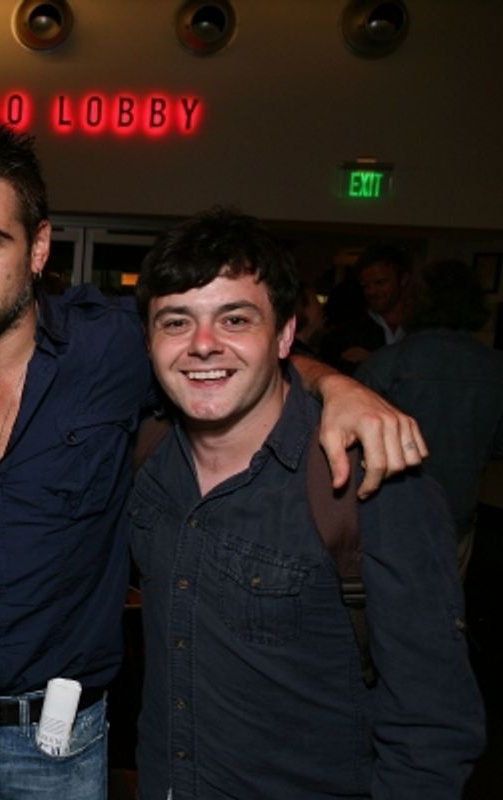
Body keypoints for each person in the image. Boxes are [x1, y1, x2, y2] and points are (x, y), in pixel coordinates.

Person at [0, 126, 427, 799]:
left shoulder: (109, 346)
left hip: (56, 743)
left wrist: (335, 383)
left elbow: (217, 348)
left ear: (39, 246)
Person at [130, 207, 484, 798]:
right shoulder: (148, 458)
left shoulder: (374, 485)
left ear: (286, 334)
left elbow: (433, 731)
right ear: (149, 339)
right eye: (175, 322)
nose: (203, 345)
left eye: (235, 318)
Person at [357, 258, 503, 578]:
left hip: (389, 519)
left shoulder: (386, 364)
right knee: (444, 614)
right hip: (457, 516)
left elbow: (352, 445)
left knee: (383, 617)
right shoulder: (494, 366)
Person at [320, 244, 410, 373]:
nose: (371, 291)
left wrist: (374, 361)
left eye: (380, 283)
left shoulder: (421, 329)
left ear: (403, 280)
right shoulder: (347, 334)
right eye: (365, 286)